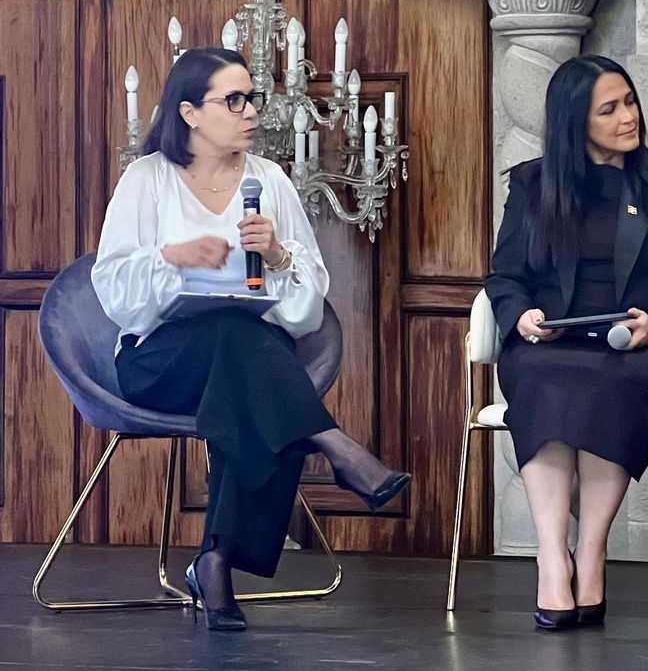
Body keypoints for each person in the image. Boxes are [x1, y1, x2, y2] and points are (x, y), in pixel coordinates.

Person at [91, 48, 410, 632]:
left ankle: (213, 563)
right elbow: (111, 287)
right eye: (233, 100)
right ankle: (334, 444)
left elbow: (307, 303)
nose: (250, 111)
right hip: (159, 360)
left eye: (252, 98)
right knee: (246, 351)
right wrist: (172, 256)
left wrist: (278, 253)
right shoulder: (147, 178)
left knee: (246, 358)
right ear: (189, 112)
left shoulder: (270, 179)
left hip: (244, 363)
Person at [485, 54, 648, 631]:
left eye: (629, 101)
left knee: (604, 378)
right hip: (548, 344)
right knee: (544, 376)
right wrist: (522, 317)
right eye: (608, 109)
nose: (627, 117)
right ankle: (549, 557)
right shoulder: (534, 184)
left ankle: (590, 552)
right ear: (574, 122)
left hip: (637, 347)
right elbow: (504, 276)